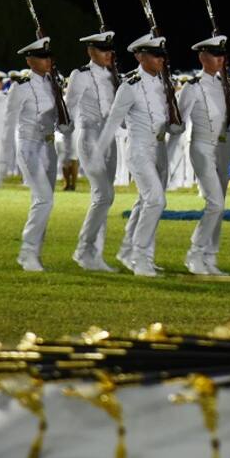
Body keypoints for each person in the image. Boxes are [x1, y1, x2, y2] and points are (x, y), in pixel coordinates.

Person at [95, 33, 183, 277]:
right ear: (140, 56)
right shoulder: (130, 85)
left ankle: (129, 252)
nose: (161, 60)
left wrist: (175, 125)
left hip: (160, 149)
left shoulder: (163, 83)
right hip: (140, 149)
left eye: (162, 55)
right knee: (156, 201)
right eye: (156, 55)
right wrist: (97, 154)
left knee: (145, 202)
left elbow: (167, 118)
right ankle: (140, 257)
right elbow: (114, 121)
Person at [7, 37, 75, 272]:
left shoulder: (53, 84)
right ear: (30, 60)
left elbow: (59, 118)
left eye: (49, 57)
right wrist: (7, 158)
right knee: (44, 199)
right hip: (29, 146)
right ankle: (27, 254)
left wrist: (65, 125)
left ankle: (35, 252)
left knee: (44, 201)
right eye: (42, 57)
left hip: (48, 147)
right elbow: (8, 121)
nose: (48, 61)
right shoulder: (22, 86)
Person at [179, 34, 230, 277]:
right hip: (201, 147)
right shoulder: (192, 87)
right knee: (215, 202)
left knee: (218, 203)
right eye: (216, 55)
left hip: (218, 148)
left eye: (222, 55)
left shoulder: (222, 85)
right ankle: (194, 254)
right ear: (203, 57)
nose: (220, 59)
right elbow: (179, 121)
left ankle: (207, 256)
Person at [65, 31, 120, 272]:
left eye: (109, 50)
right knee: (103, 195)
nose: (107, 54)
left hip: (110, 139)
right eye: (102, 50)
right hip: (90, 137)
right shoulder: (80, 75)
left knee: (105, 199)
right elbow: (68, 109)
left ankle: (95, 255)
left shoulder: (113, 77)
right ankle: (83, 249)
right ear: (90, 51)